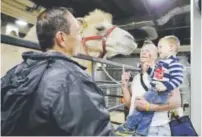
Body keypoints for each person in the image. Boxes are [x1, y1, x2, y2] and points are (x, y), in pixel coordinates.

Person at [1, 7, 114, 136]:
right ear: (61, 38)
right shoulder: (75, 81)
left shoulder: (12, 73)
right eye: (77, 32)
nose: (79, 38)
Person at [116, 36, 184, 136]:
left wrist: (149, 107)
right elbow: (130, 104)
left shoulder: (163, 74)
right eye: (142, 50)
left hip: (155, 129)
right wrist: (124, 86)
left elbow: (176, 103)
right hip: (136, 130)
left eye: (148, 50)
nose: (143, 52)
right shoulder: (136, 78)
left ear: (156, 55)